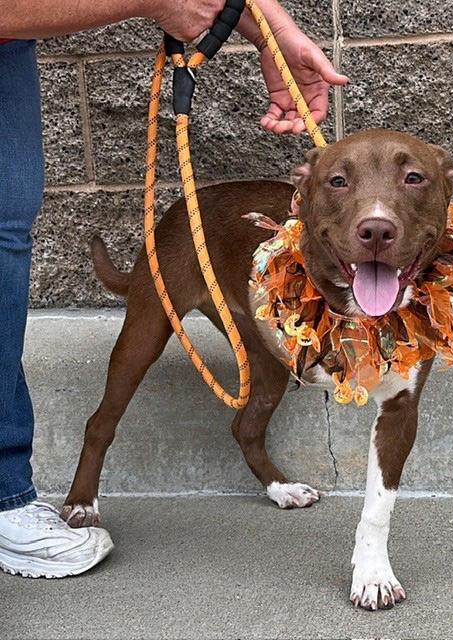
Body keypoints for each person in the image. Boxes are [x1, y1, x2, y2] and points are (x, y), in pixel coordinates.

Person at [0, 0, 347, 579]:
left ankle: (259, 460)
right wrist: (155, 2)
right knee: (129, 365)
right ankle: (77, 487)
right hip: (187, 248)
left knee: (269, 370)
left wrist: (271, 31)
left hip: (6, 53)